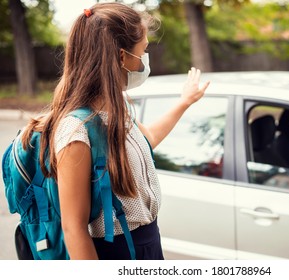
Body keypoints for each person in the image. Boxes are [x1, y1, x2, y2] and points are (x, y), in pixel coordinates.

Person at [20, 2, 210, 260]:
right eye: (143, 50)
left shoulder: (117, 107)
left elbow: (148, 138)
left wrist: (185, 101)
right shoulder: (75, 131)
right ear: (122, 57)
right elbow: (73, 228)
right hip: (117, 252)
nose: (144, 60)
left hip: (148, 243)